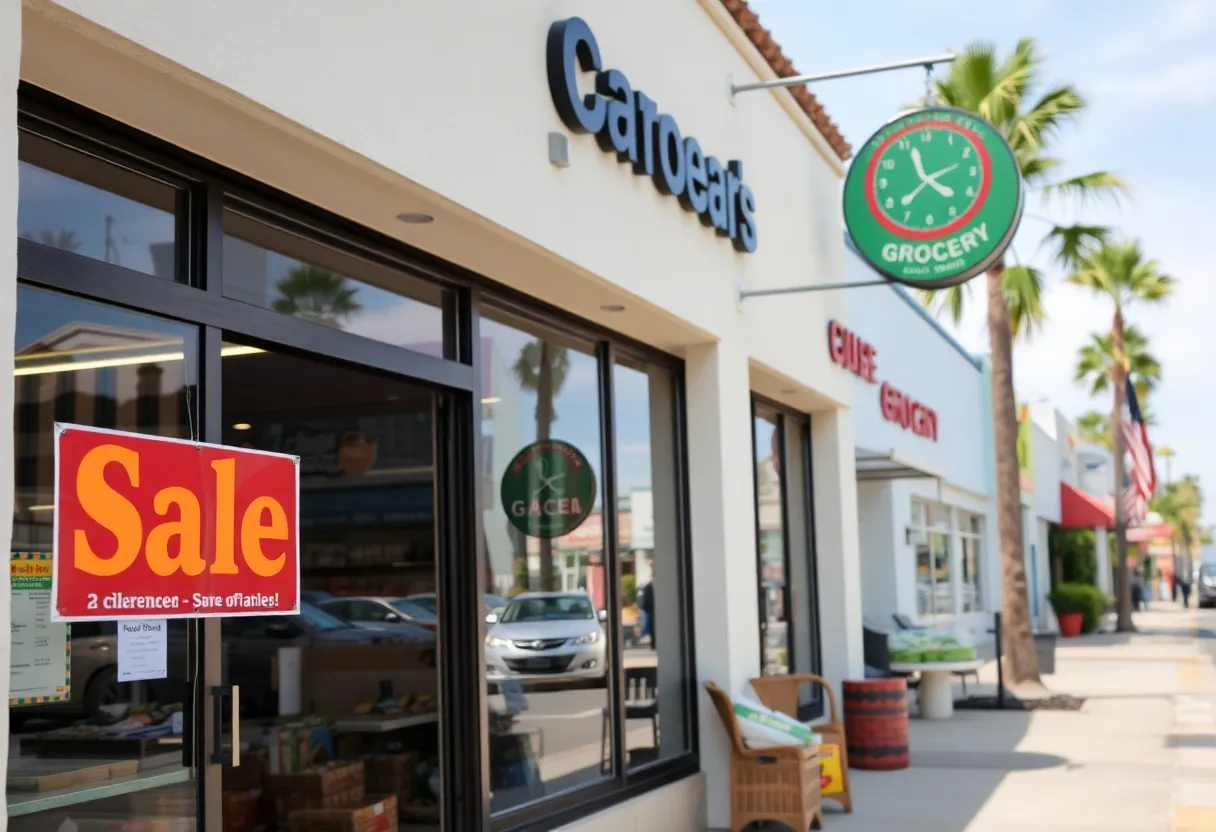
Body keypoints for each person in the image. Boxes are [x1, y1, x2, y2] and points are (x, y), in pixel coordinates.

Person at [637, 579, 655, 650]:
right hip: (649, 610)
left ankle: (652, 643)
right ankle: (651, 642)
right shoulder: (648, 587)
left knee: (650, 626)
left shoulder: (647, 587)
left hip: (648, 610)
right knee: (649, 626)